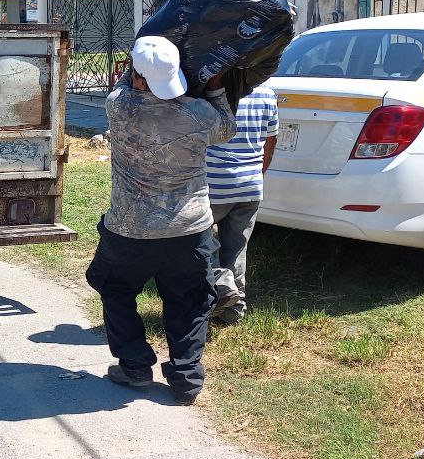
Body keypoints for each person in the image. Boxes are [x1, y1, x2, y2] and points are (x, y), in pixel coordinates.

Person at [86, 36, 236, 405]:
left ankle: (135, 365)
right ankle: (186, 379)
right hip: (190, 230)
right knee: (189, 299)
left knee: (115, 288)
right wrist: (215, 89)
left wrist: (133, 68)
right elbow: (227, 130)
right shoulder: (200, 114)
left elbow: (125, 84)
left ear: (135, 76)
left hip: (130, 231)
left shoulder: (117, 107)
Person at [206, 83, 279, 326]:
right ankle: (232, 313)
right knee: (237, 248)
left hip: (214, 183)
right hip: (250, 184)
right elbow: (271, 138)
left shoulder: (211, 91)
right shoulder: (267, 92)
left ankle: (217, 291)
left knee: (200, 245)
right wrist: (259, 173)